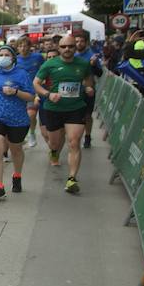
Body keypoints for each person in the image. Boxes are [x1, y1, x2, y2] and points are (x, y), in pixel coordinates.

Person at [33, 35, 96, 195]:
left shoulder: (83, 64)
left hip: (76, 108)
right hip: (53, 108)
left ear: (75, 48)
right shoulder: (50, 64)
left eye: (70, 46)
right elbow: (36, 83)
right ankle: (54, 152)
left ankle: (72, 178)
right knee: (54, 143)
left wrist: (88, 87)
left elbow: (89, 79)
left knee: (74, 142)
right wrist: (48, 94)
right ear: (59, 48)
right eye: (63, 46)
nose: (67, 49)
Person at [0, 45, 34, 201]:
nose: (3, 57)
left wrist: (16, 92)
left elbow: (31, 96)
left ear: (13, 58)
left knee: (16, 149)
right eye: (0, 54)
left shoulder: (22, 74)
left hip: (17, 118)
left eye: (6, 54)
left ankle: (17, 175)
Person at [70, 29, 102, 148]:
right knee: (74, 116)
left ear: (86, 42)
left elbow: (100, 73)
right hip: (73, 90)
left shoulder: (91, 56)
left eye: (81, 41)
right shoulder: (71, 54)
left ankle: (87, 136)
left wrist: (93, 66)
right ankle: (75, 137)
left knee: (87, 115)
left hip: (88, 90)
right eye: (76, 41)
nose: (78, 44)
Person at [13, 36, 44, 148]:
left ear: (30, 46)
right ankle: (23, 135)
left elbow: (44, 69)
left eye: (25, 45)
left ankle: (32, 134)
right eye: (20, 46)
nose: (23, 48)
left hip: (34, 91)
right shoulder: (15, 60)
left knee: (31, 114)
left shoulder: (38, 57)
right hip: (20, 91)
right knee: (21, 116)